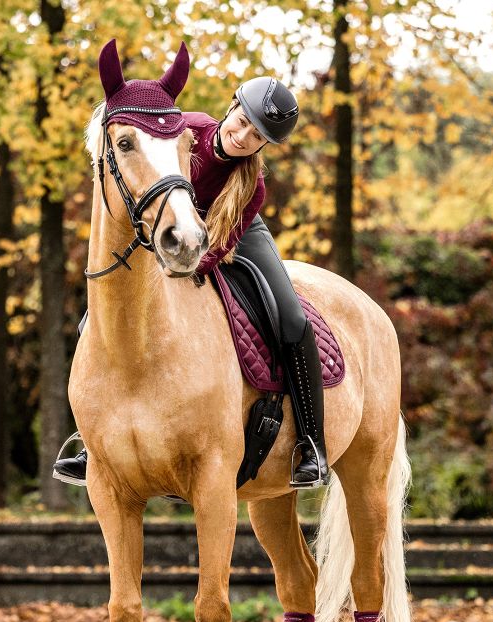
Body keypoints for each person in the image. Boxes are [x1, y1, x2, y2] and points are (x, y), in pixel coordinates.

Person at [54, 77, 329, 489]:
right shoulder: (184, 129)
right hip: (168, 227)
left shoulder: (250, 185)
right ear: (232, 106)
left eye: (257, 136)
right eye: (243, 121)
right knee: (99, 314)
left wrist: (191, 265)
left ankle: (312, 443)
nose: (243, 135)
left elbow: (220, 247)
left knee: (291, 317)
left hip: (230, 233)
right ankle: (92, 440)